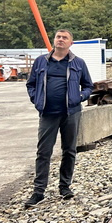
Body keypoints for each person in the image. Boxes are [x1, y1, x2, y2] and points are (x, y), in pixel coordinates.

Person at [25, 29, 93, 207]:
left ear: (71, 43)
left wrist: (79, 97)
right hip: (48, 114)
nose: (60, 40)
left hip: (71, 113)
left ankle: (65, 187)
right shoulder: (41, 61)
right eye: (58, 37)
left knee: (69, 151)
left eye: (64, 38)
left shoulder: (78, 63)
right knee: (43, 152)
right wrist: (36, 100)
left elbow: (88, 86)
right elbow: (31, 84)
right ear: (54, 40)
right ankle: (38, 192)